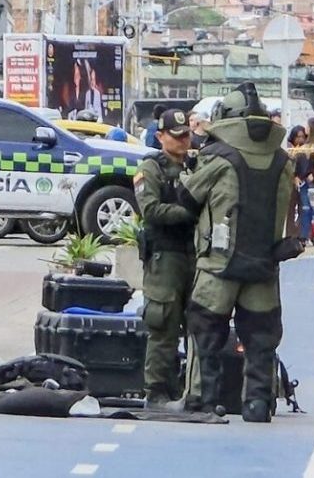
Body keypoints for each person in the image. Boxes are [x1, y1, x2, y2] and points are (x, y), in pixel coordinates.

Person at [178, 82, 295, 422]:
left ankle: (205, 399)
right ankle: (258, 402)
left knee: (204, 331)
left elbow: (187, 200)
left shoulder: (217, 157)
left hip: (219, 264)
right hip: (265, 265)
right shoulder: (282, 161)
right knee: (261, 338)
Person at [134, 109, 199, 408]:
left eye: (187, 134)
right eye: (177, 136)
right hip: (165, 256)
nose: (184, 141)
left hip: (193, 253)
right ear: (161, 137)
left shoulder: (196, 166)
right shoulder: (150, 169)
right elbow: (151, 210)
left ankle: (188, 388)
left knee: (198, 323)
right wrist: (189, 212)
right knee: (164, 323)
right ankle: (158, 389)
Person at [292, 125, 314, 246]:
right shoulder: (302, 148)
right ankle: (304, 236)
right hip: (304, 181)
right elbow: (297, 164)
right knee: (305, 209)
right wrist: (296, 176)